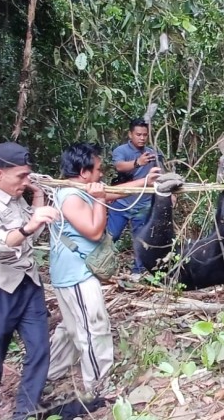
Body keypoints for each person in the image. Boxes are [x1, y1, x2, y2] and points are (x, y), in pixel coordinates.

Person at [47, 142, 160, 395]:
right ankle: (98, 385)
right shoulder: (72, 197)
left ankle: (52, 371)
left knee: (72, 327)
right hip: (77, 275)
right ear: (84, 172)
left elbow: (113, 192)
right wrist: (98, 198)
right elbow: (96, 231)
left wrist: (147, 182)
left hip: (71, 274)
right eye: (98, 169)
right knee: (93, 327)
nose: (101, 174)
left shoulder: (79, 189)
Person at [0, 142, 59, 419]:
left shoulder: (16, 197)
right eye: (21, 176)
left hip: (27, 282)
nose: (26, 181)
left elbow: (29, 236)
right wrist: (30, 224)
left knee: (40, 347)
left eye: (28, 175)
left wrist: (38, 200)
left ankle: (25, 409)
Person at [109, 119, 162, 279]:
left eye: (145, 135)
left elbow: (160, 174)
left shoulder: (152, 152)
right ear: (130, 134)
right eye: (138, 134)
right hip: (121, 203)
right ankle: (99, 265)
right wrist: (138, 162)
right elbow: (119, 166)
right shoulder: (121, 150)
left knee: (141, 239)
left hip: (143, 204)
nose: (142, 138)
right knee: (111, 236)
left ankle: (138, 272)